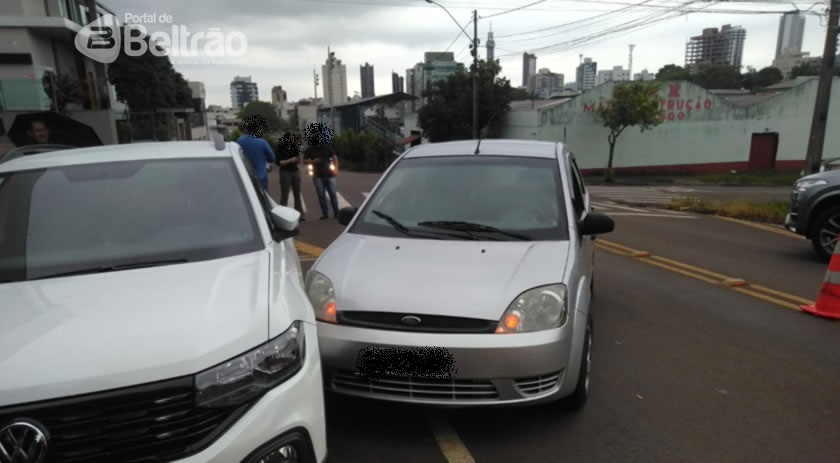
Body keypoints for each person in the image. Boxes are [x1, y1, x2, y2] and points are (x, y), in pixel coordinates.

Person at [303, 123, 339, 220]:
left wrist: (336, 169)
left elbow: (334, 157)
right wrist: (312, 161)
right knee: (321, 195)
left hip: (329, 174)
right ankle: (325, 213)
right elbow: (304, 161)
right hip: (317, 175)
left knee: (333, 194)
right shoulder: (310, 149)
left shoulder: (326, 146)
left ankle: (336, 212)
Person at [236, 116, 275, 191]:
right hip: (261, 176)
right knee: (263, 198)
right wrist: (264, 158)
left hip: (245, 175)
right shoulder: (262, 142)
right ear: (256, 129)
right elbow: (272, 158)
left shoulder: (239, 141)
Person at [277, 133, 305, 223]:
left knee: (297, 193)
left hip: (295, 171)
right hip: (285, 172)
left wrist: (298, 159)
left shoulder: (294, 147)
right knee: (285, 193)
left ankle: (300, 215)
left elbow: (298, 159)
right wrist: (290, 160)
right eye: (291, 139)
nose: (293, 140)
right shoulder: (280, 148)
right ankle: (282, 215)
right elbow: (279, 162)